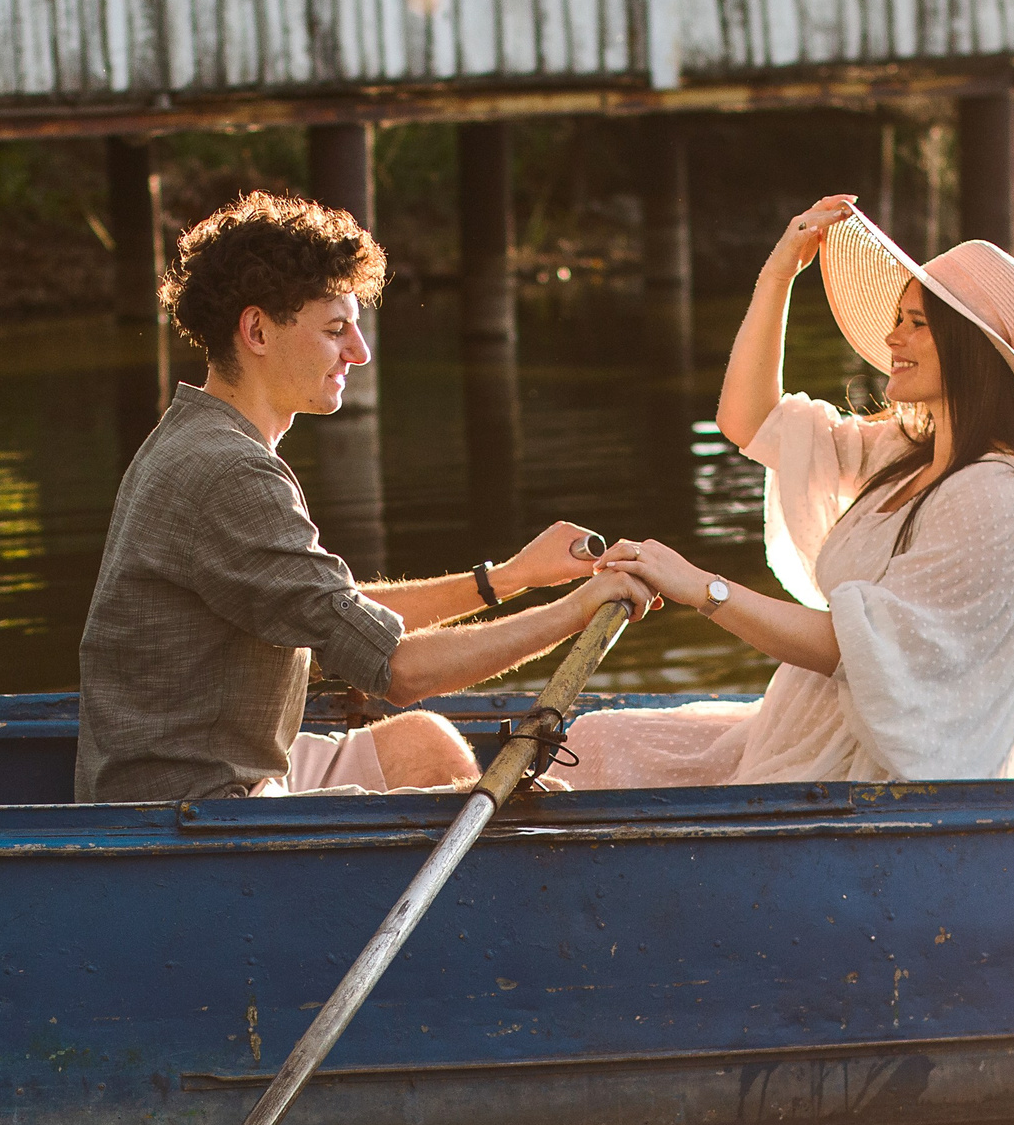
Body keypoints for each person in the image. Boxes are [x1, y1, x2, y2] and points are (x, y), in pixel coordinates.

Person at [76, 191, 652, 803]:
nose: (360, 352)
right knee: (525, 814)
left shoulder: (196, 434)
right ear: (256, 330)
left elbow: (334, 610)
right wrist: (583, 609)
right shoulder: (229, 474)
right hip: (194, 806)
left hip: (215, 770)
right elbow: (398, 671)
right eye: (335, 330)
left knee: (425, 745)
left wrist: (506, 580)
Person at [559, 196, 1014, 788]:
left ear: (971, 351)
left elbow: (866, 649)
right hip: (803, 726)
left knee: (597, 763)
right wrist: (779, 273)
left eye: (917, 324)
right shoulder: (904, 456)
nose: (892, 338)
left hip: (866, 766)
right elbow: (750, 419)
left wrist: (701, 588)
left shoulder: (999, 494)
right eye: (898, 318)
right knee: (592, 740)